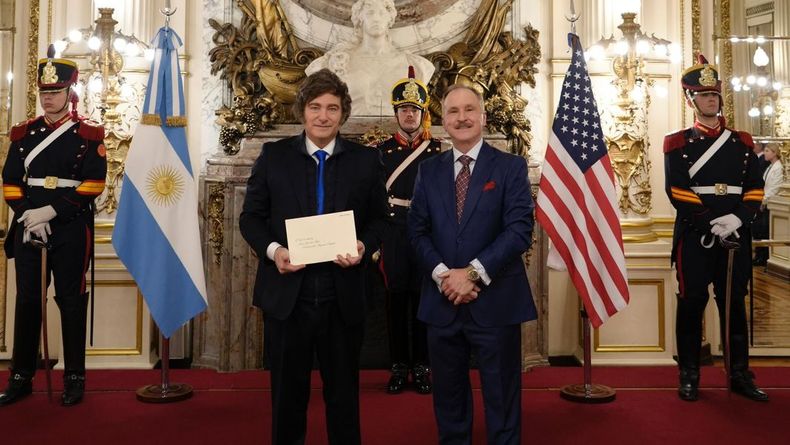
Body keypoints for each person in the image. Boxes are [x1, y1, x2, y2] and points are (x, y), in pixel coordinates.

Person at [239, 68, 387, 444]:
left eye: (332, 108)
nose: (323, 116)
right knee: (287, 398)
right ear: (302, 110)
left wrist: (363, 246)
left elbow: (380, 220)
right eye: (315, 107)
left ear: (343, 113)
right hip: (288, 296)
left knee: (343, 398)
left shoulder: (365, 160)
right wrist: (275, 251)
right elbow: (250, 218)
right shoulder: (273, 157)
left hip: (343, 295)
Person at [408, 84, 536, 444]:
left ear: (483, 116)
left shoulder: (510, 167)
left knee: (502, 395)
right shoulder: (428, 171)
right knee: (448, 397)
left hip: (496, 301)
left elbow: (519, 230)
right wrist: (444, 277)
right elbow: (416, 231)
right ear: (443, 120)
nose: (461, 118)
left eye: (469, 110)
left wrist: (473, 274)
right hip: (442, 300)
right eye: (453, 111)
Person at [0, 45, 107, 407]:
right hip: (30, 226)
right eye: (44, 92)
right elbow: (10, 182)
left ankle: (74, 377)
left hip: (70, 227)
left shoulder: (88, 134)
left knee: (71, 300)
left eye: (56, 91)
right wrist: (28, 215)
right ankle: (21, 376)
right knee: (29, 300)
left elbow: (94, 184)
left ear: (70, 92)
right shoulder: (23, 134)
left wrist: (52, 212)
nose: (48, 99)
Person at [663, 54, 768, 402]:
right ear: (691, 100)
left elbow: (755, 187)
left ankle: (739, 374)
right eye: (704, 95)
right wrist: (711, 222)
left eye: (715, 95)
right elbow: (677, 190)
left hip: (736, 235)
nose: (711, 100)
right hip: (695, 236)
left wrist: (737, 219)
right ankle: (689, 374)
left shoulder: (742, 142)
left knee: (734, 304)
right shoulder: (677, 143)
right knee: (691, 304)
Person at [377, 67, 442, 395]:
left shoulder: (438, 150)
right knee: (396, 300)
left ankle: (422, 365)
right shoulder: (380, 151)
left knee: (423, 299)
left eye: (414, 110)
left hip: (426, 233)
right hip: (394, 233)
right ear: (396, 114)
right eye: (403, 109)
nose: (409, 115)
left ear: (423, 113)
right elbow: (374, 197)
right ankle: (399, 366)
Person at [305, 0, 435, 116]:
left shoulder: (416, 65)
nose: (376, 19)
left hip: (398, 135)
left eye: (381, 13)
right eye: (370, 13)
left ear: (390, 19)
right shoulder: (336, 62)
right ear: (359, 19)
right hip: (346, 133)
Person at [753, 143, 784, 265]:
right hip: (764, 200)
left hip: (769, 203)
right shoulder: (770, 166)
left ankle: (763, 257)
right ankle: (759, 256)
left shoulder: (778, 168)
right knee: (759, 230)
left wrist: (764, 200)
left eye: (767, 151)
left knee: (764, 230)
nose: (765, 153)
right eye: (765, 150)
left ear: (774, 153)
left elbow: (774, 188)